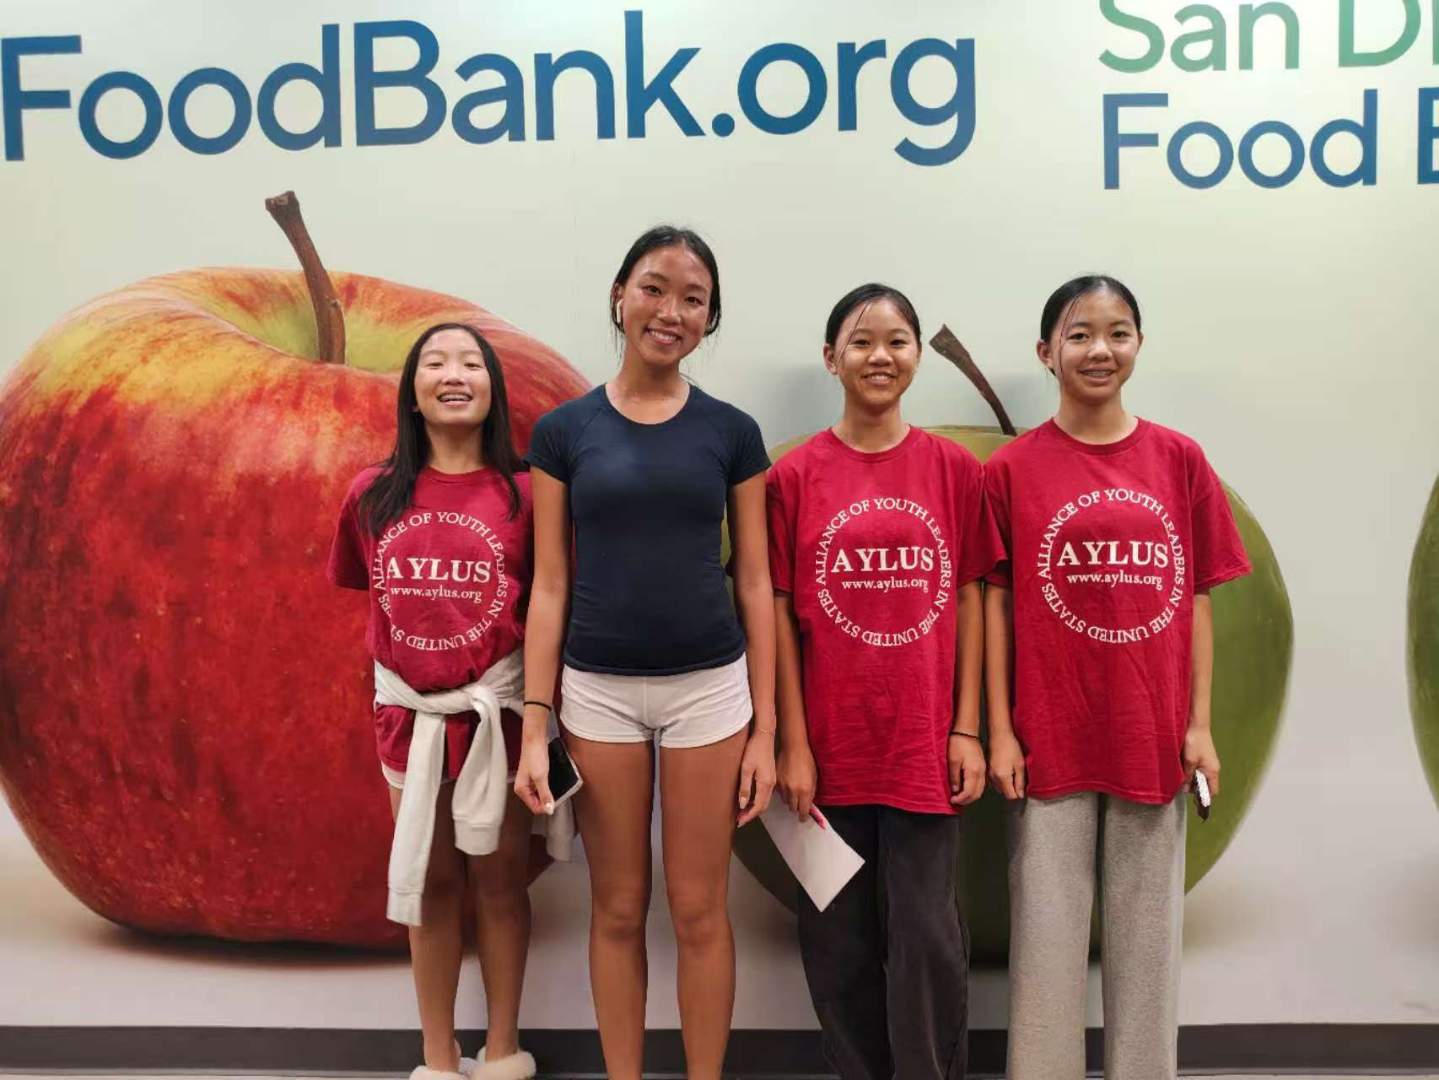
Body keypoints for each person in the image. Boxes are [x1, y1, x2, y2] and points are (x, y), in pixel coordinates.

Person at [514, 226, 777, 1080]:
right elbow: (548, 584)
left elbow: (754, 583)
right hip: (596, 693)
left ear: (710, 319)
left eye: (693, 299)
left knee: (699, 912)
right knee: (618, 910)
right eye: (655, 288)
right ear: (620, 296)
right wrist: (535, 725)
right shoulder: (563, 432)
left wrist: (767, 732)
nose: (671, 311)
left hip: (710, 692)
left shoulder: (732, 432)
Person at [983, 276, 1252, 1080]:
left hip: (1150, 737)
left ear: (1138, 344)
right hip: (1047, 738)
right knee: (1045, 949)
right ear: (1046, 352)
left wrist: (1198, 725)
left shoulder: (1179, 459)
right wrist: (999, 730)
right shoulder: (1010, 469)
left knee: (1147, 950)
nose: (1099, 349)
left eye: (1117, 332)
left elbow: (1195, 599)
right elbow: (992, 607)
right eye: (1079, 334)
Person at [767, 284, 1001, 1080]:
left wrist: (965, 727)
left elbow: (970, 599)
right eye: (861, 342)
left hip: (922, 745)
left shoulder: (954, 470)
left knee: (926, 935)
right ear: (830, 358)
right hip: (827, 749)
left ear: (915, 358)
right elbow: (778, 616)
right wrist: (792, 744)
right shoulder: (792, 477)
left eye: (897, 341)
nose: (880, 356)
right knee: (836, 940)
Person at [329, 323, 559, 1080]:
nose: (453, 374)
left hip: (498, 717)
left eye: (470, 363)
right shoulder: (371, 494)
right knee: (429, 885)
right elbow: (365, 589)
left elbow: (550, 601)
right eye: (435, 362)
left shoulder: (528, 494)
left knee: (500, 882)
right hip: (408, 719)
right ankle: (436, 1057)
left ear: (494, 388)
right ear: (412, 392)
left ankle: (503, 1048)